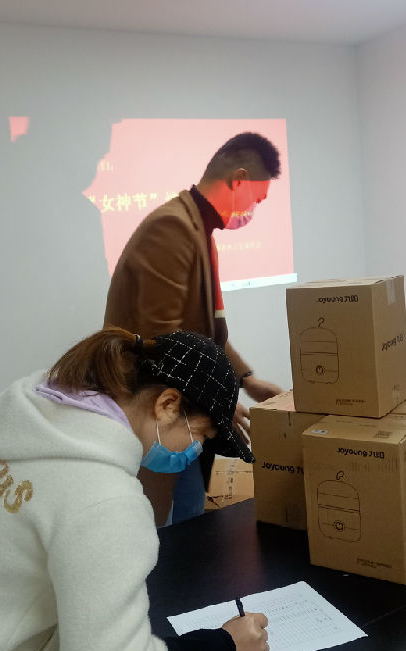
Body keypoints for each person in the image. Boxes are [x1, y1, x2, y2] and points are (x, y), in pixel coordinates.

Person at [0, 328, 269, 651]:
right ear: (167, 405)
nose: (195, 451)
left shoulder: (33, 403)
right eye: (200, 436)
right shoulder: (106, 502)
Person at [104, 132, 284, 526]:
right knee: (157, 524)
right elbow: (162, 342)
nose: (253, 210)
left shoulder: (199, 231)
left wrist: (248, 380)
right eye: (256, 198)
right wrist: (218, 403)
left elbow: (207, 334)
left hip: (182, 407)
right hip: (157, 409)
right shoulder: (172, 227)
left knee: (190, 514)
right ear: (239, 179)